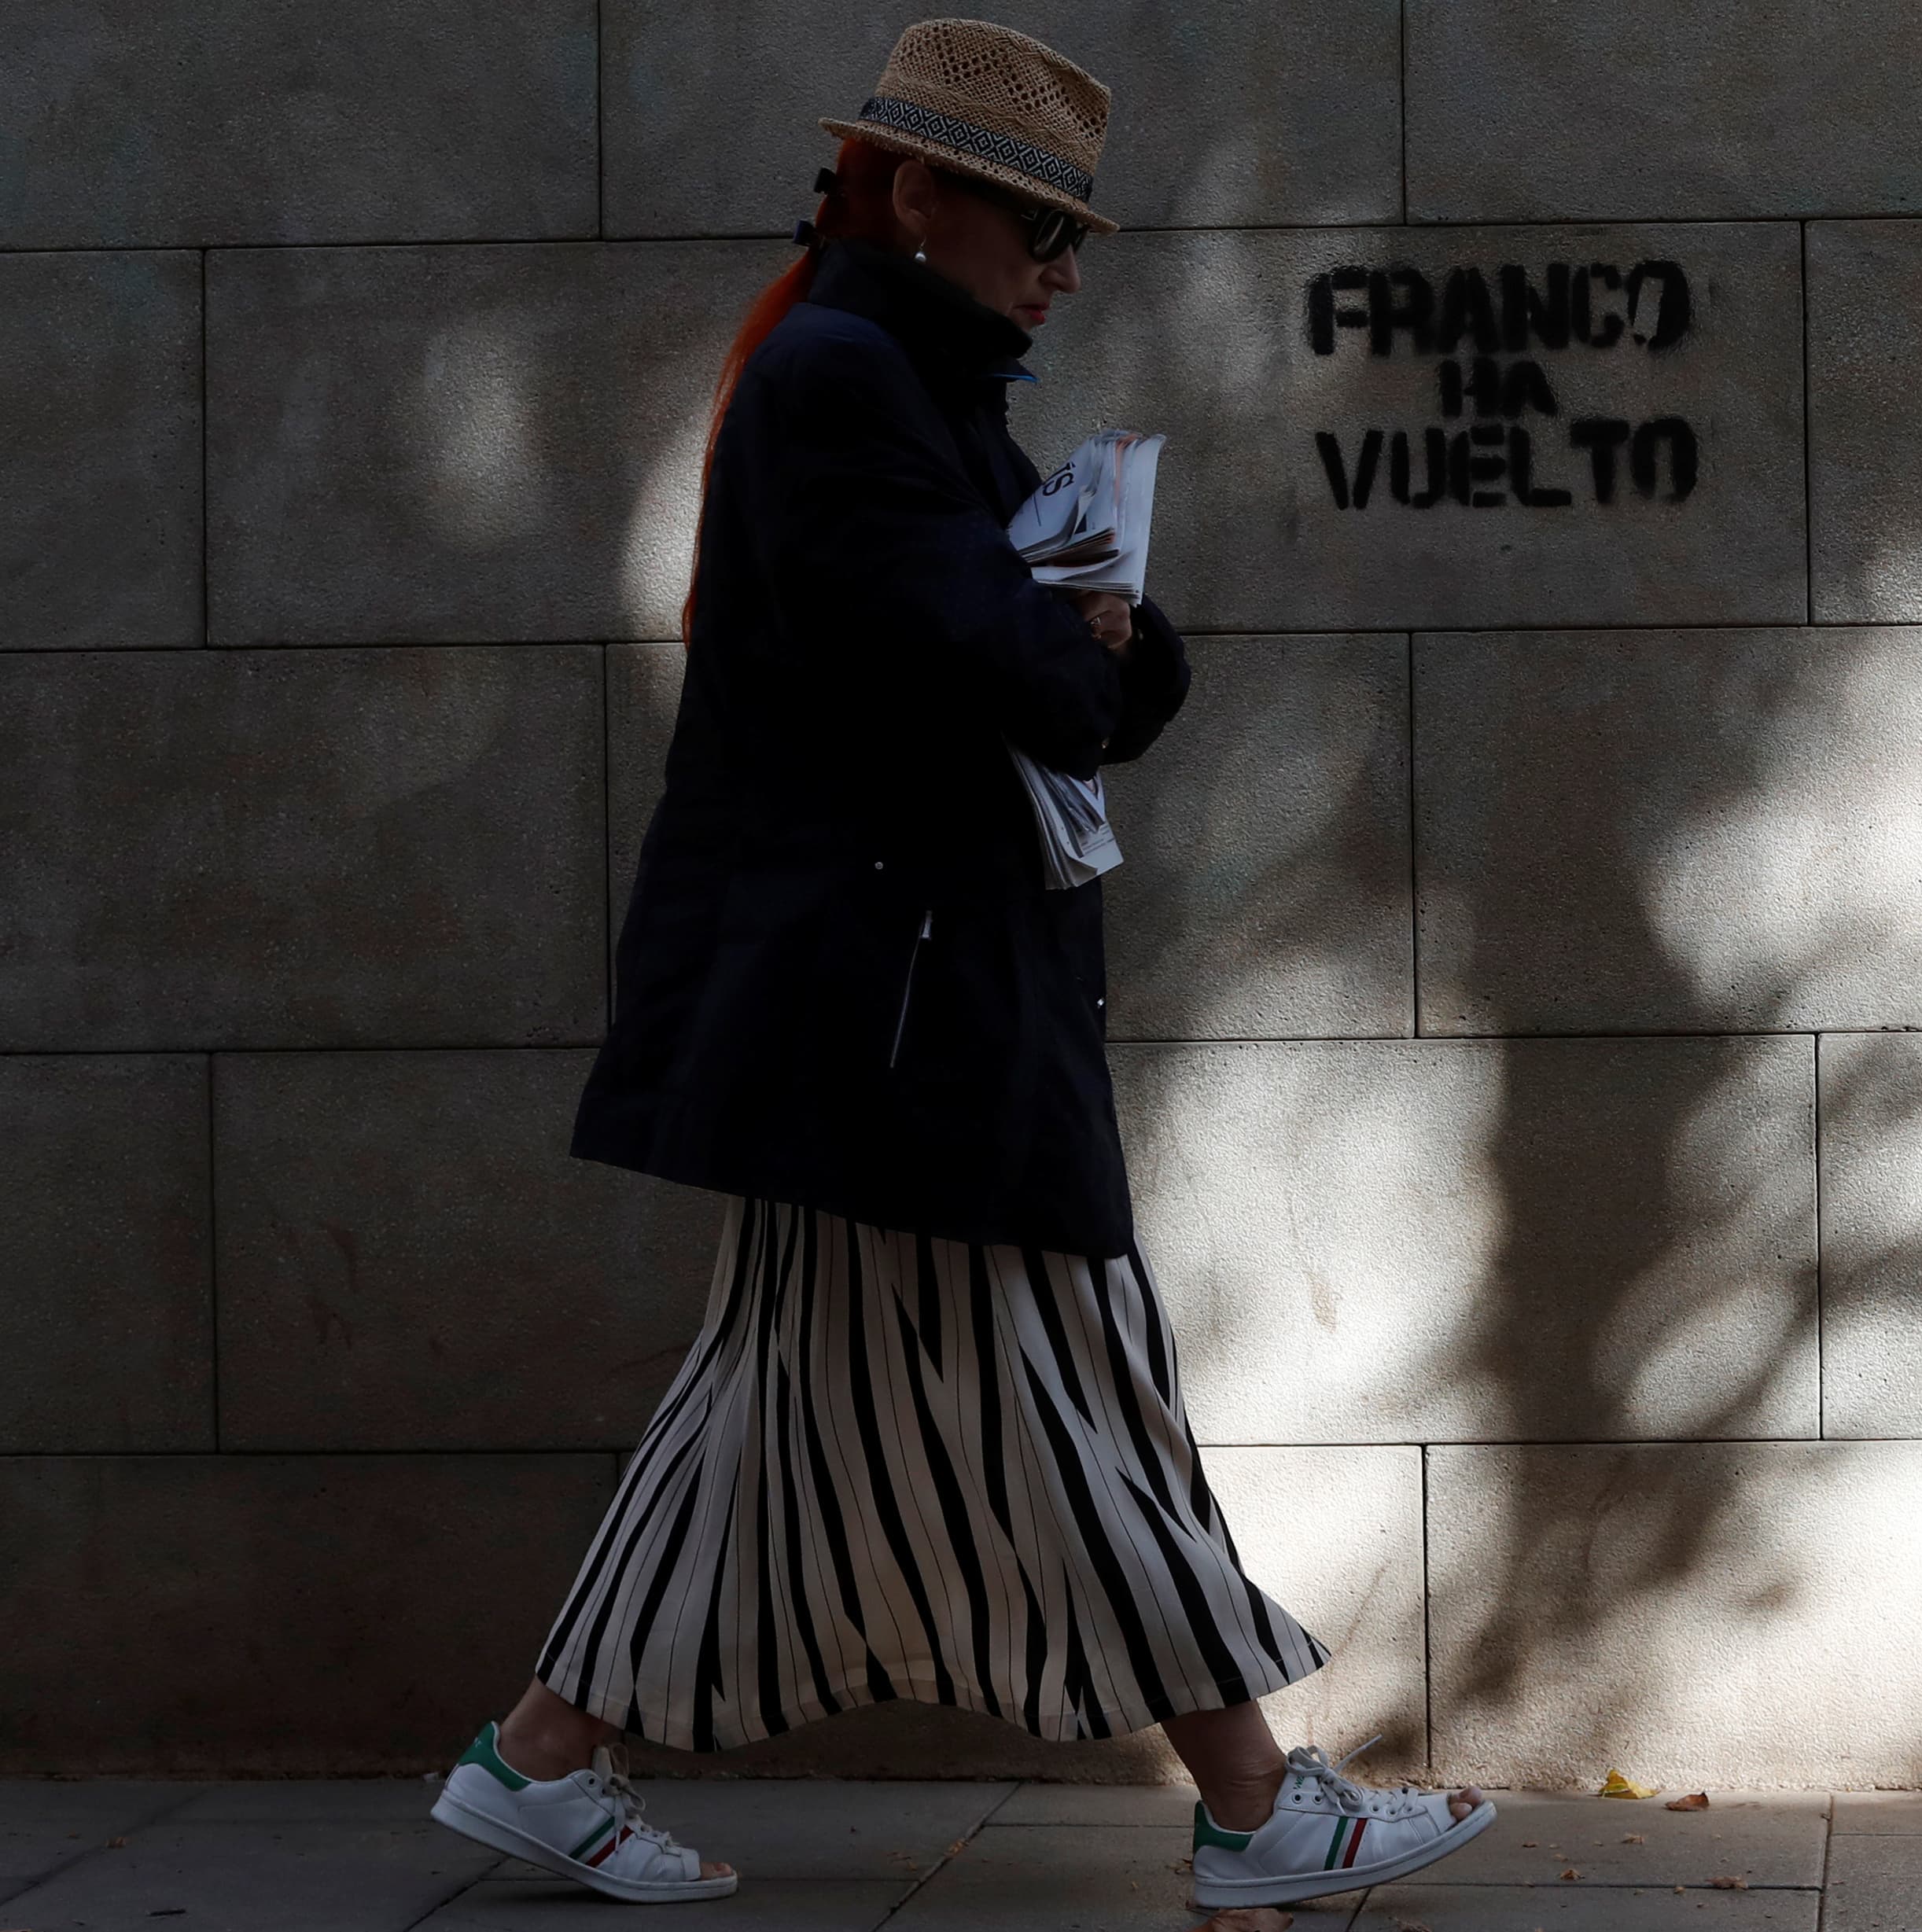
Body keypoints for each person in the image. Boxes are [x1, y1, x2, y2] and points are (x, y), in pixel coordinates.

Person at [422, 17, 1494, 1915]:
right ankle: (1258, 1803)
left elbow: (1069, 674)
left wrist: (1095, 638)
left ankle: (540, 1759)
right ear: (920, 198)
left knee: (769, 1399)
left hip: (888, 1005)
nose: (1064, 273)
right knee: (1076, 1380)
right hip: (899, 1015)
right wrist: (1069, 636)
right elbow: (994, 664)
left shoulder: (898, 379)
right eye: (1042, 232)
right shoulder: (849, 381)